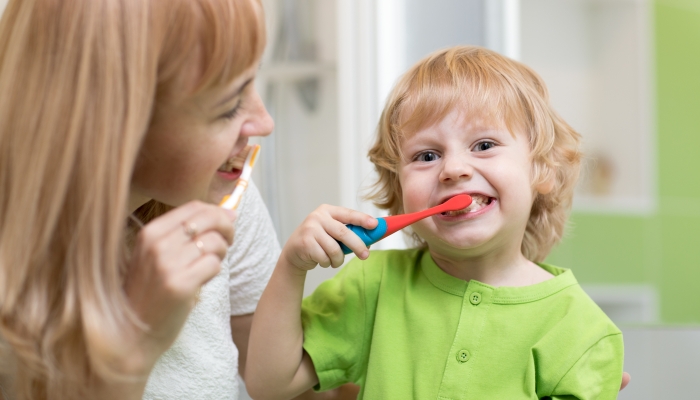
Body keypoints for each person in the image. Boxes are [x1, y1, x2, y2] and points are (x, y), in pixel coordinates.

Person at [246, 45, 625, 399]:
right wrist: (291, 267)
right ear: (398, 189)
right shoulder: (372, 286)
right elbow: (268, 385)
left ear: (542, 169)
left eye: (484, 145)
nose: (454, 169)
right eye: (427, 155)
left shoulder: (582, 331)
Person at [0, 0, 280, 399]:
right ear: (115, 127)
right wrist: (132, 353)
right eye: (229, 105)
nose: (264, 122)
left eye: (253, 79)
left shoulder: (222, 192)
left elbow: (287, 383)